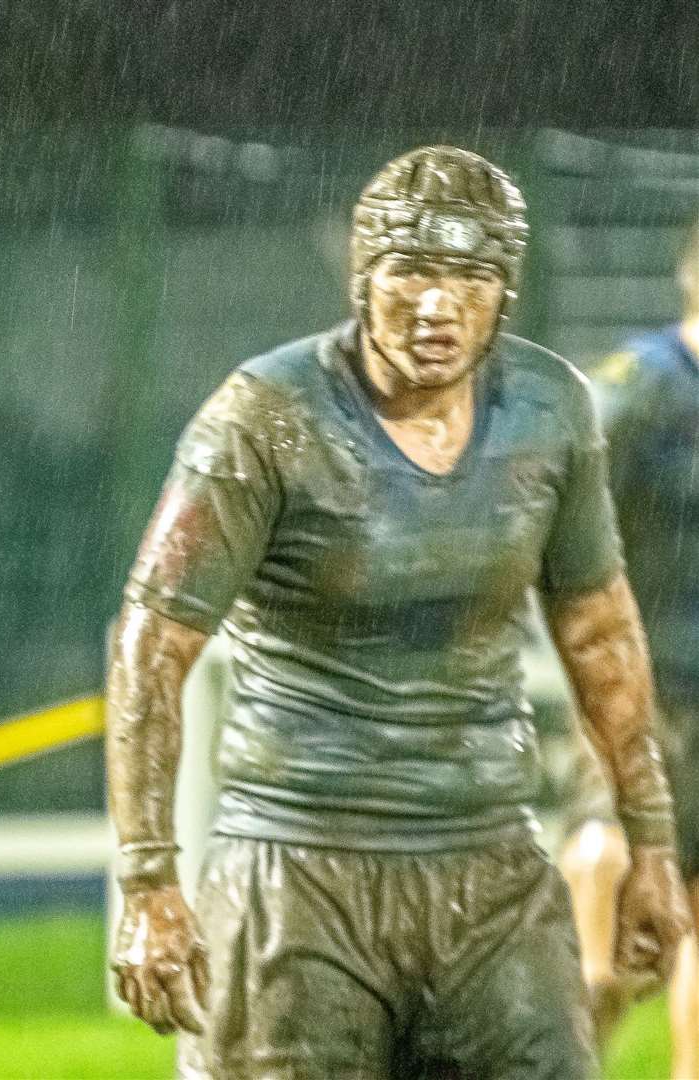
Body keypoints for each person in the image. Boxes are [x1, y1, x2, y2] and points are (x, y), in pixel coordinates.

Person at [105, 145, 692, 1079]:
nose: (437, 303)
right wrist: (147, 880)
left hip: (490, 868)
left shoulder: (548, 410)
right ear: (361, 276)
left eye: (471, 275)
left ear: (506, 289)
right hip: (296, 869)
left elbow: (598, 629)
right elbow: (152, 645)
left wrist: (650, 841)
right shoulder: (263, 417)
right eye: (412, 270)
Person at [556, 218, 699, 1076]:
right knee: (603, 883)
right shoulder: (641, 386)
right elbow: (549, 495)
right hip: (637, 696)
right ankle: (570, 1036)